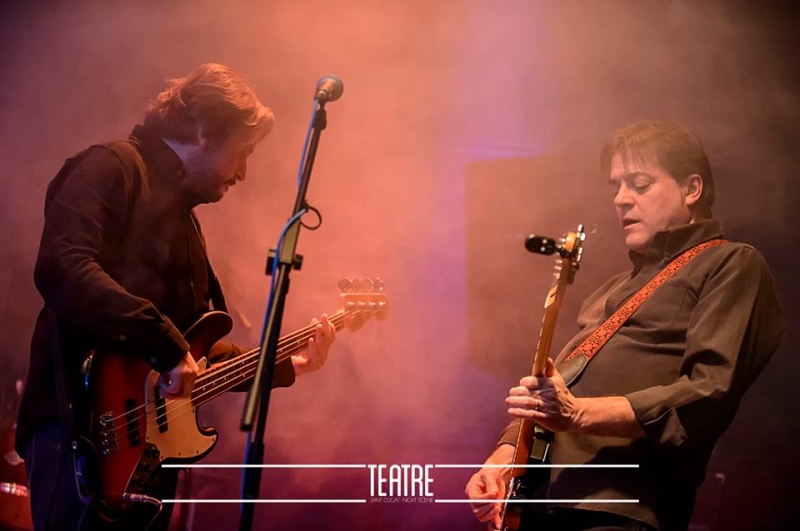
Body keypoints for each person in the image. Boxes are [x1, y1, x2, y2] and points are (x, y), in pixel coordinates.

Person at [15, 63, 337, 530]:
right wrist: (164, 344)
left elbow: (190, 351)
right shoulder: (108, 167)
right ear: (204, 133)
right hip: (79, 433)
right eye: (242, 153)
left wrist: (285, 364)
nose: (243, 173)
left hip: (147, 458)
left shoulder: (186, 223)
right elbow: (63, 266)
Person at [466, 121, 785, 531]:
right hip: (539, 506)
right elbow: (554, 392)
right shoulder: (611, 290)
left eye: (640, 184)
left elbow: (708, 392)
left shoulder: (731, 263)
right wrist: (504, 458)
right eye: (616, 186)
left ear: (691, 189)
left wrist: (578, 412)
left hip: (619, 511)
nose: (621, 199)